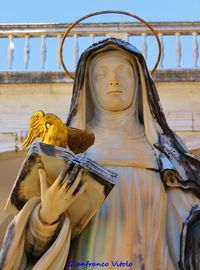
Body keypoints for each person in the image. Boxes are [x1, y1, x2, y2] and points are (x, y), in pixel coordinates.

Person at [1, 37, 200, 270]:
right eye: (101, 75)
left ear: (139, 80)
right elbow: (31, 248)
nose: (113, 81)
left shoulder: (168, 153)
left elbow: (187, 229)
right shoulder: (68, 150)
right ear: (89, 86)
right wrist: (47, 215)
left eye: (124, 71)